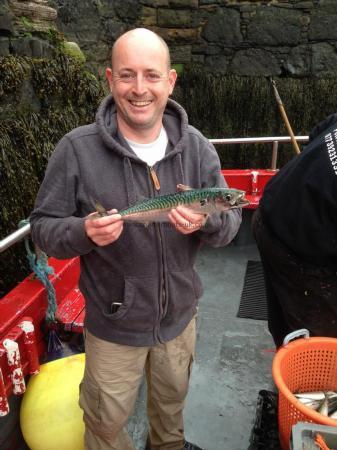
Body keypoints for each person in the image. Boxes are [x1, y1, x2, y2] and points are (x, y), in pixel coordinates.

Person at [30, 28, 242, 450]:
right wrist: (84, 232)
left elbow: (231, 224)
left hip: (180, 322)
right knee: (105, 427)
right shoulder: (76, 150)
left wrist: (206, 223)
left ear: (171, 80)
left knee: (170, 416)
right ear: (109, 79)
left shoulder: (197, 148)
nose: (139, 89)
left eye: (151, 75)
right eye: (127, 75)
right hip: (113, 328)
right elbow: (43, 227)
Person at [253, 112, 337, 348]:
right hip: (297, 250)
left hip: (269, 210)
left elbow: (319, 131)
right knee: (320, 336)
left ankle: (284, 349)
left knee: (283, 311)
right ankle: (301, 372)